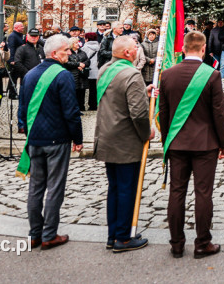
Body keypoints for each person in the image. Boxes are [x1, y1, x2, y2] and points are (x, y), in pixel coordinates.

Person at [158, 30, 224, 259]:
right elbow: (219, 113)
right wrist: (223, 143)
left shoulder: (167, 75)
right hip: (205, 144)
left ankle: (176, 244)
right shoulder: (211, 75)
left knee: (176, 192)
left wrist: (167, 140)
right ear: (203, 48)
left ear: (184, 49)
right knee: (203, 194)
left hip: (177, 143)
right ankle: (202, 244)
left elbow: (164, 114)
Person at [17, 34, 83, 250]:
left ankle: (34, 234)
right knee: (55, 187)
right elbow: (71, 112)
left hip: (35, 139)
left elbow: (23, 109)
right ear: (54, 53)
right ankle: (49, 235)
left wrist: (27, 132)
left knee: (36, 187)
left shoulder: (29, 75)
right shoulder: (62, 75)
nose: (70, 53)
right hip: (57, 140)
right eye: (67, 50)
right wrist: (77, 138)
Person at [95, 35, 153, 253]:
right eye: (135, 47)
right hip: (126, 141)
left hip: (107, 138)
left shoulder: (105, 70)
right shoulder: (132, 74)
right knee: (128, 189)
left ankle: (113, 235)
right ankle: (123, 238)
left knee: (115, 188)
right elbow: (137, 114)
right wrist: (147, 133)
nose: (138, 49)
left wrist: (143, 94)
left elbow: (116, 98)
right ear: (128, 53)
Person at [64, 37, 91, 112]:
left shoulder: (82, 52)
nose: (78, 44)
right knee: (74, 93)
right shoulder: (69, 53)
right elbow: (66, 63)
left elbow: (88, 61)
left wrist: (83, 65)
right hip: (73, 75)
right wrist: (78, 64)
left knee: (82, 92)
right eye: (76, 43)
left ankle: (81, 107)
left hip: (82, 76)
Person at [82, 32, 102, 111]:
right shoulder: (99, 46)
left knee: (83, 89)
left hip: (87, 70)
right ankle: (93, 105)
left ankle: (82, 105)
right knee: (94, 89)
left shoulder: (85, 47)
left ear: (86, 39)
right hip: (97, 70)